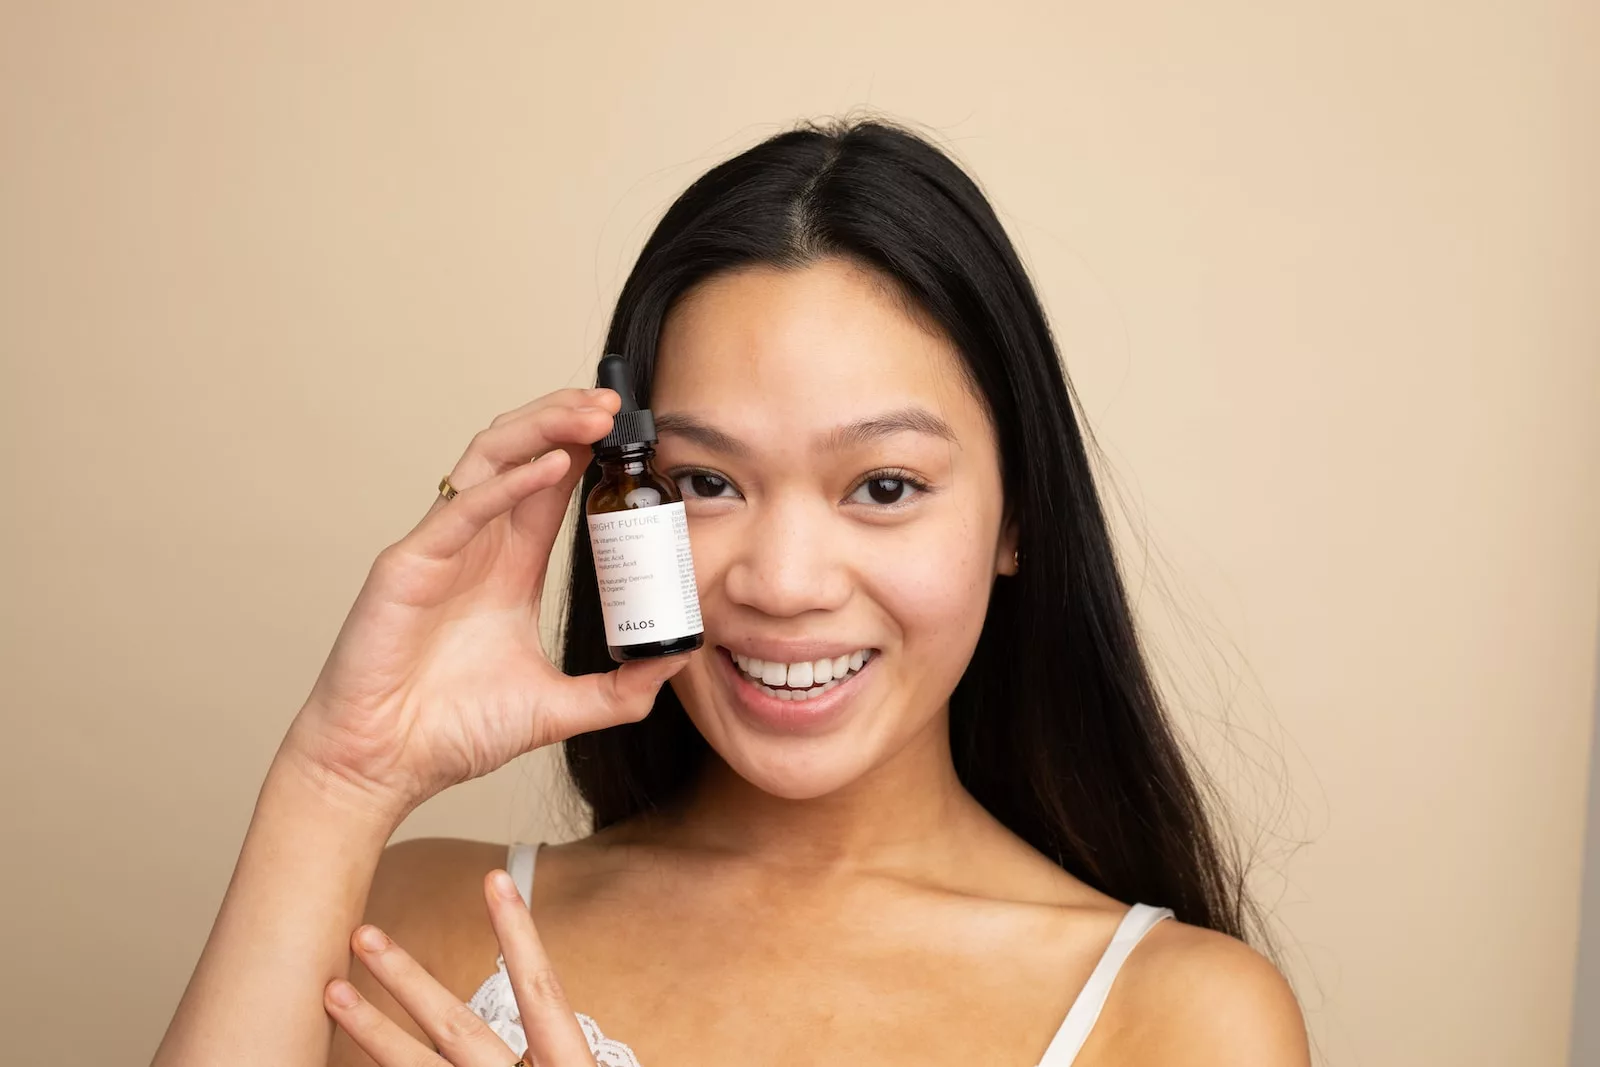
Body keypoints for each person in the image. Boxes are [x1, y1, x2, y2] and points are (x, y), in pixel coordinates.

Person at [153, 119, 1310, 1067]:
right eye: (706, 480)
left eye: (885, 484)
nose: (783, 581)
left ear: (1017, 520)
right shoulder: (421, 923)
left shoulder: (1180, 1018)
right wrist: (340, 774)